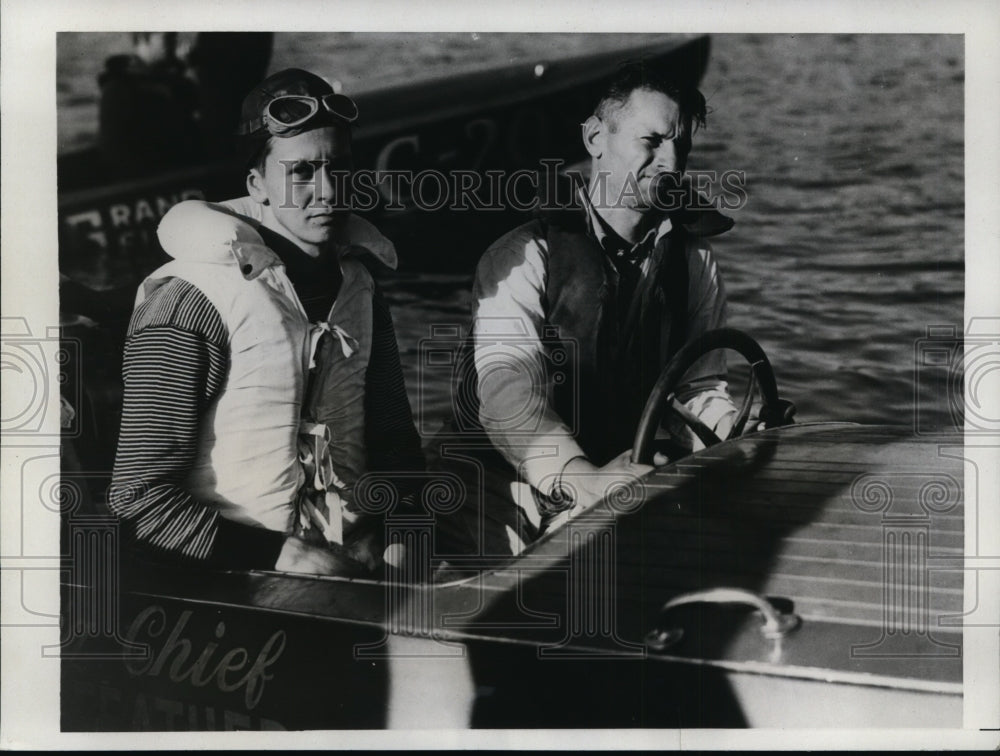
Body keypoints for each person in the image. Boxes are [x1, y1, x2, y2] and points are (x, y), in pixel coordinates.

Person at [108, 68, 423, 574]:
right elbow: (137, 498)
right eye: (300, 172)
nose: (327, 191)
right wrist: (282, 554)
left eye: (339, 168)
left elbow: (395, 444)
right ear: (257, 183)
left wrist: (402, 534)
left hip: (351, 560)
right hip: (228, 572)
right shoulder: (188, 302)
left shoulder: (360, 290)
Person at [437, 61, 739, 556]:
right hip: (495, 486)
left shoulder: (694, 261)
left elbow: (699, 388)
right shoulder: (523, 255)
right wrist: (582, 479)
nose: (671, 162)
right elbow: (508, 395)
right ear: (596, 138)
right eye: (652, 141)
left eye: (680, 145)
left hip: (616, 473)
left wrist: (738, 431)